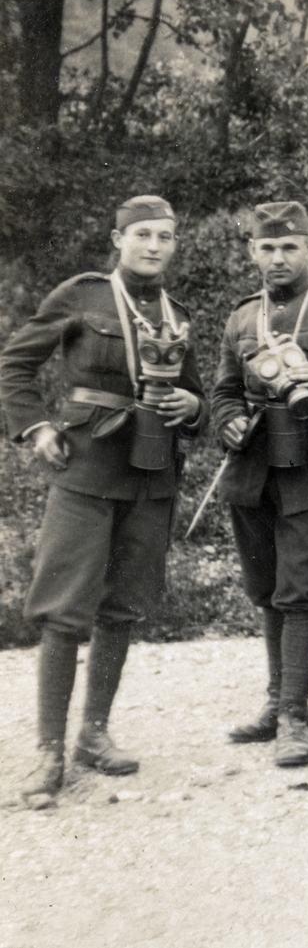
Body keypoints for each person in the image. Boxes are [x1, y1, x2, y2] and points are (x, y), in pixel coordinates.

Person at [1, 196, 205, 807]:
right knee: (66, 609)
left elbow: (196, 396)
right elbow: (14, 363)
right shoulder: (82, 296)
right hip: (85, 467)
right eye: (141, 234)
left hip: (151, 472)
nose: (153, 246)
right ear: (117, 239)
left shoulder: (177, 312)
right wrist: (36, 428)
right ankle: (48, 753)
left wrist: (192, 408)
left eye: (164, 237)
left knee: (123, 607)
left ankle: (94, 734)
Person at [213, 201, 308, 768]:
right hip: (251, 467)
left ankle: (296, 716)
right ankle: (276, 703)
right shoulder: (242, 316)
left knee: (303, 590)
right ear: (252, 251)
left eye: (289, 247)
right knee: (265, 585)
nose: (278, 258)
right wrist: (226, 419)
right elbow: (226, 388)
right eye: (267, 247)